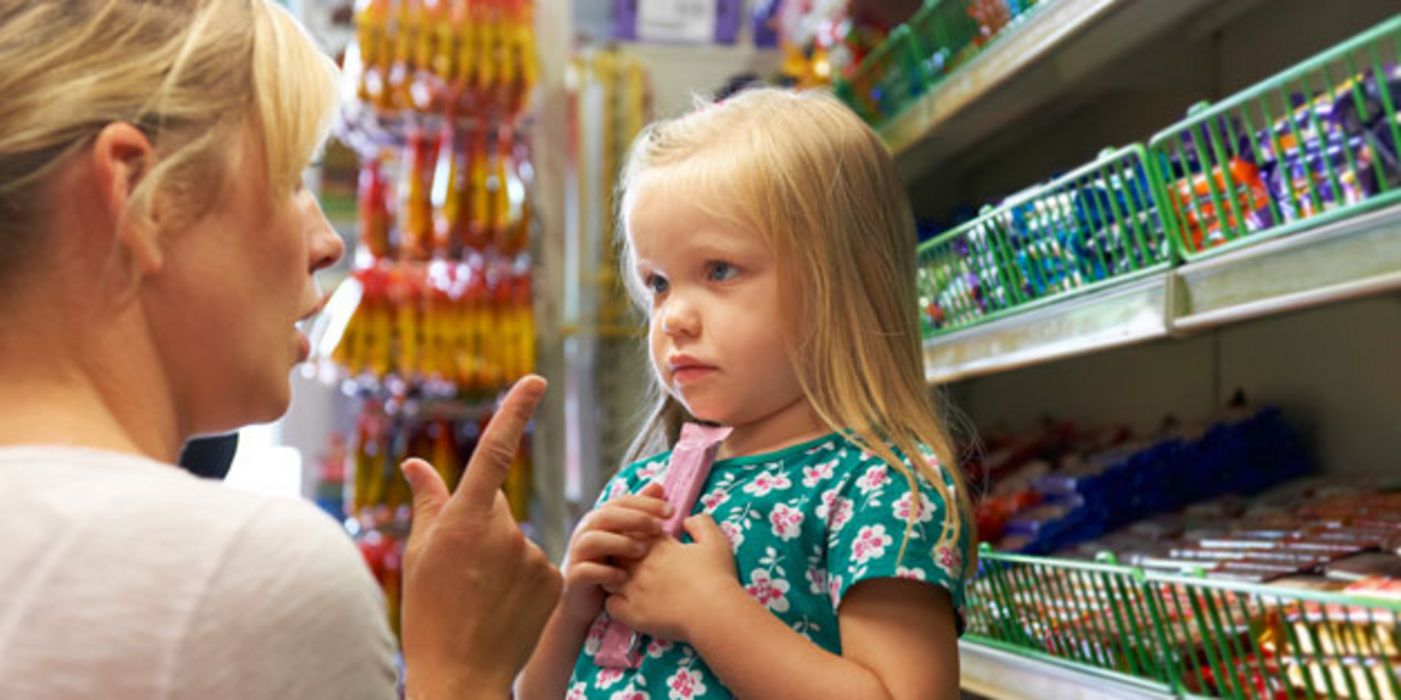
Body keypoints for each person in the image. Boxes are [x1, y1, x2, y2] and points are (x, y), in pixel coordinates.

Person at [0, 1, 559, 697]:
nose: (326, 241)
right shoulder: (239, 575)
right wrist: (463, 671)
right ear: (141, 194)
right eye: (292, 176)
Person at [517, 87, 977, 699]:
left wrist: (710, 612)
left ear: (842, 282)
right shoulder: (640, 486)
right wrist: (573, 602)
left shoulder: (883, 487)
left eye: (719, 271)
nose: (673, 316)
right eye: (658, 282)